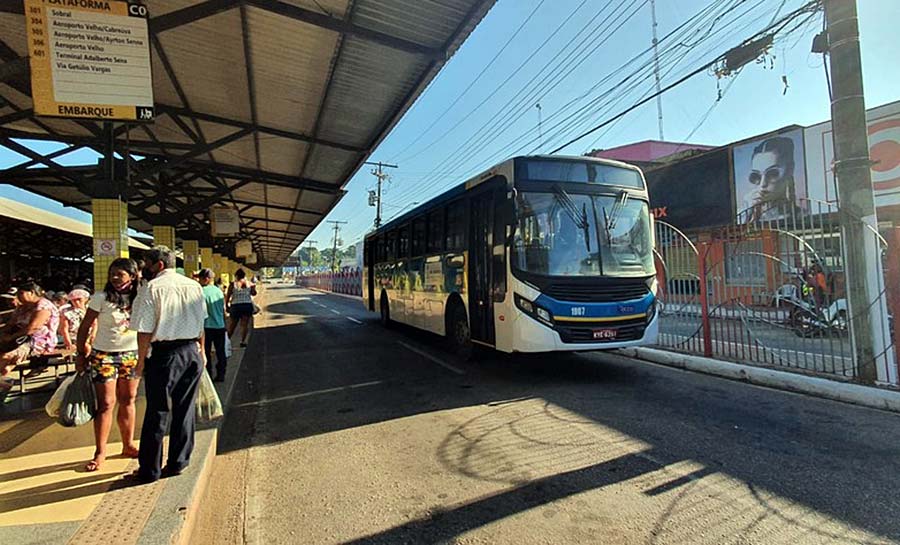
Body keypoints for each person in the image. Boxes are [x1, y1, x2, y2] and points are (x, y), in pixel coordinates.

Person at [130, 246, 207, 483]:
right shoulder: (193, 286)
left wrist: (140, 364)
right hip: (191, 352)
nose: (144, 270)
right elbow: (200, 321)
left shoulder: (151, 288)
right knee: (185, 409)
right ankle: (178, 462)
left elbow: (144, 331)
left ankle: (150, 471)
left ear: (159, 265)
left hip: (164, 356)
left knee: (157, 411)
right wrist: (202, 351)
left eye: (147, 265)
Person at [76, 259, 141, 472]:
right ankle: (100, 451)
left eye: (119, 274)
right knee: (105, 403)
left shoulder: (140, 297)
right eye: (112, 274)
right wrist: (80, 353)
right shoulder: (100, 298)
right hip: (103, 355)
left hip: (131, 354)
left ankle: (128, 444)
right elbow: (85, 325)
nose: (114, 278)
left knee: (128, 400)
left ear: (132, 276)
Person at [0, 282, 60, 392]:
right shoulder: (22, 308)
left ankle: (4, 383)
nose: (18, 296)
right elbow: (10, 324)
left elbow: (33, 328)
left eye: (21, 293)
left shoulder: (44, 306)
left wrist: (11, 337)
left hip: (37, 341)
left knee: (6, 355)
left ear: (31, 293)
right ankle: (4, 382)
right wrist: (4, 333)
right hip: (17, 337)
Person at [742, 137, 800, 223]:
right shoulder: (745, 213)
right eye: (756, 176)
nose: (762, 184)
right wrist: (747, 212)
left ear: (790, 170)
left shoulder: (803, 214)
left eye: (772, 174)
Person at [199, 269, 227, 382]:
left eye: (200, 278)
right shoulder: (219, 291)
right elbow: (224, 309)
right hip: (219, 326)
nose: (199, 281)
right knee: (221, 351)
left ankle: (209, 375)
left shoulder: (201, 292)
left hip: (206, 328)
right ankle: (221, 374)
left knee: (206, 352)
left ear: (206, 279)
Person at [226, 269, 256, 348]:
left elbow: (228, 295)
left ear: (236, 276)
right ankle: (243, 341)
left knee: (232, 325)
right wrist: (253, 287)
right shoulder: (249, 284)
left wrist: (226, 305)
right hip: (246, 305)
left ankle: (227, 341)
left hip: (235, 306)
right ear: (244, 275)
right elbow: (254, 293)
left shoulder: (233, 284)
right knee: (244, 325)